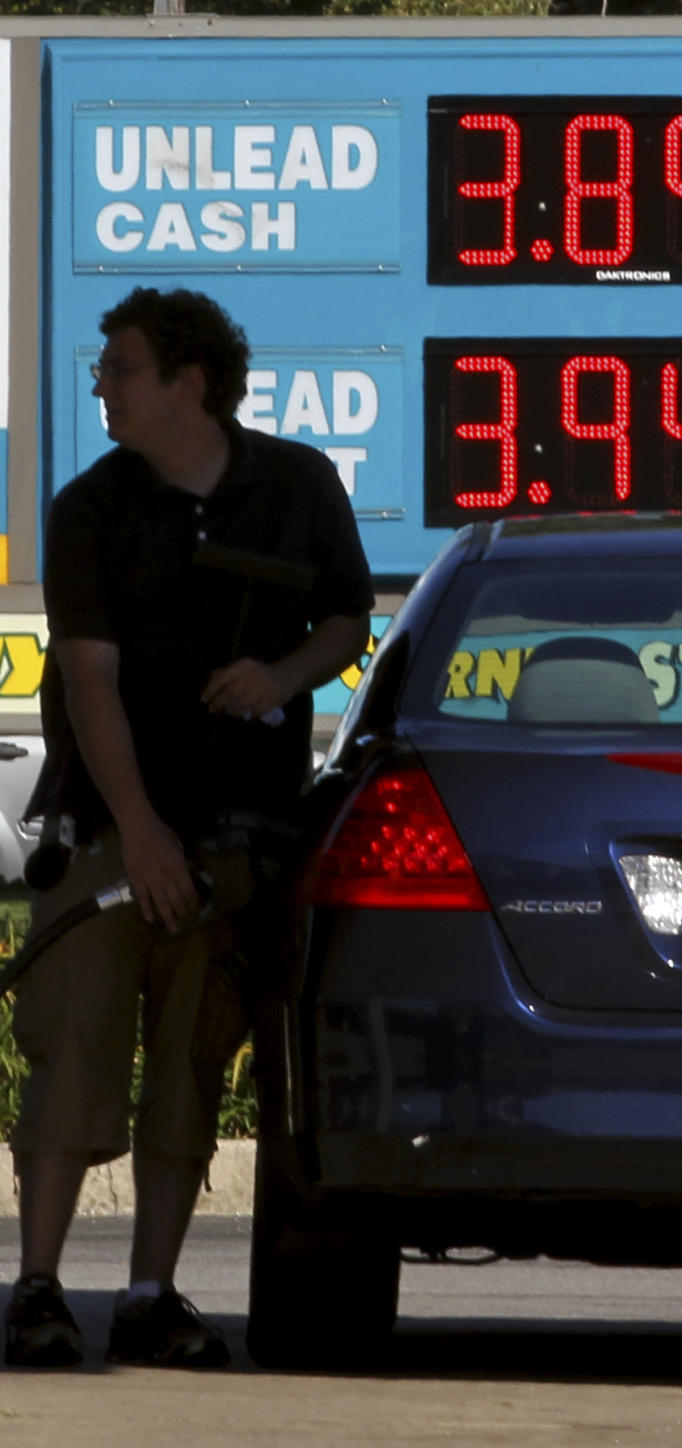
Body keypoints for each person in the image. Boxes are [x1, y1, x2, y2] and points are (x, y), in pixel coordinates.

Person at [3, 286, 374, 1369]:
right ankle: (36, 1288)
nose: (100, 386)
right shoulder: (89, 510)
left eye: (120, 368)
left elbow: (346, 615)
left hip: (236, 842)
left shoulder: (299, 486)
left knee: (189, 1066)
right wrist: (144, 833)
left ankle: (152, 1294)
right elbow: (89, 682)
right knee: (73, 1044)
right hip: (110, 832)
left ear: (188, 383)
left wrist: (285, 671)